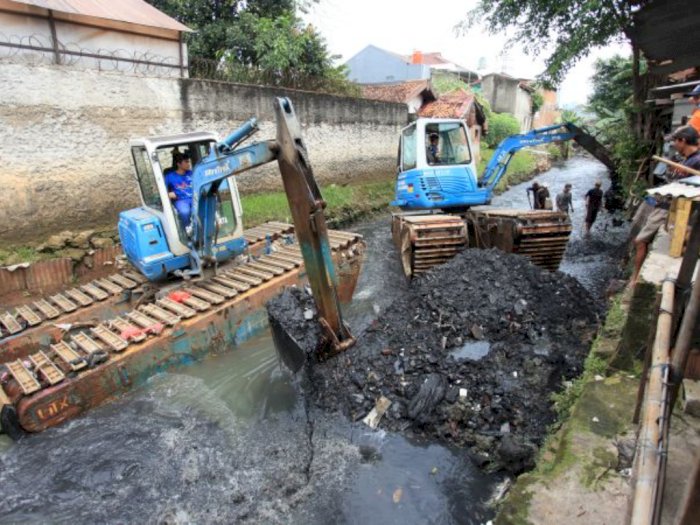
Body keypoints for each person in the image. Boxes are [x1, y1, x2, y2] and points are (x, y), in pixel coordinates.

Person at [631, 126, 700, 285]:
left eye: (675, 141)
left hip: (671, 207)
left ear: (682, 141)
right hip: (663, 202)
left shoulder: (696, 161)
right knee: (638, 233)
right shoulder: (685, 159)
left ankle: (634, 279)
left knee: (640, 241)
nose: (673, 145)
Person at [166, 152, 193, 226]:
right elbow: (162, 191)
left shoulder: (192, 173)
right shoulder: (169, 176)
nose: (189, 164)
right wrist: (168, 194)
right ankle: (187, 230)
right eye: (186, 162)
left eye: (189, 162)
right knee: (185, 212)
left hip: (194, 198)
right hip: (181, 200)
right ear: (179, 164)